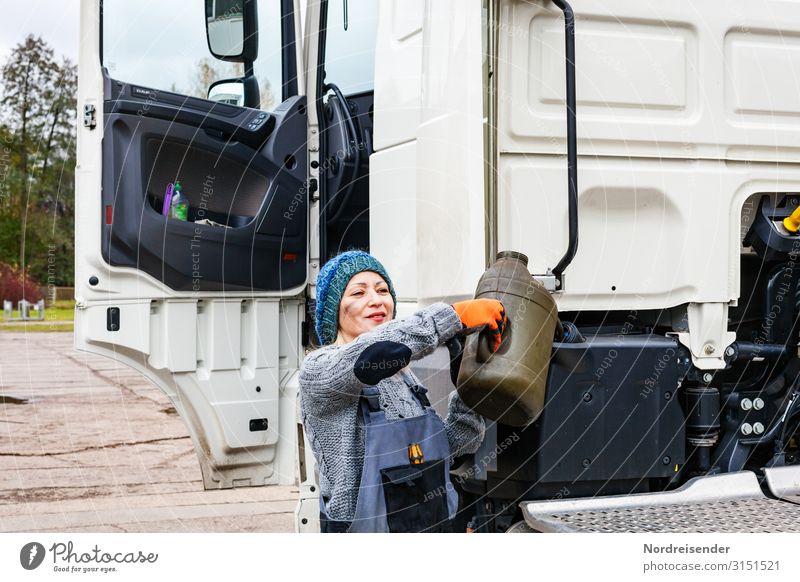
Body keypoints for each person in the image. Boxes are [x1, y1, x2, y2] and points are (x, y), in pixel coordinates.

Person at [299, 250, 507, 533]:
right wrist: (452, 316)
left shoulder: (404, 379)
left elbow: (451, 450)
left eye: (382, 290)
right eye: (358, 293)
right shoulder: (320, 371)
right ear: (333, 311)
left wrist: (472, 381)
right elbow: (371, 353)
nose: (376, 300)